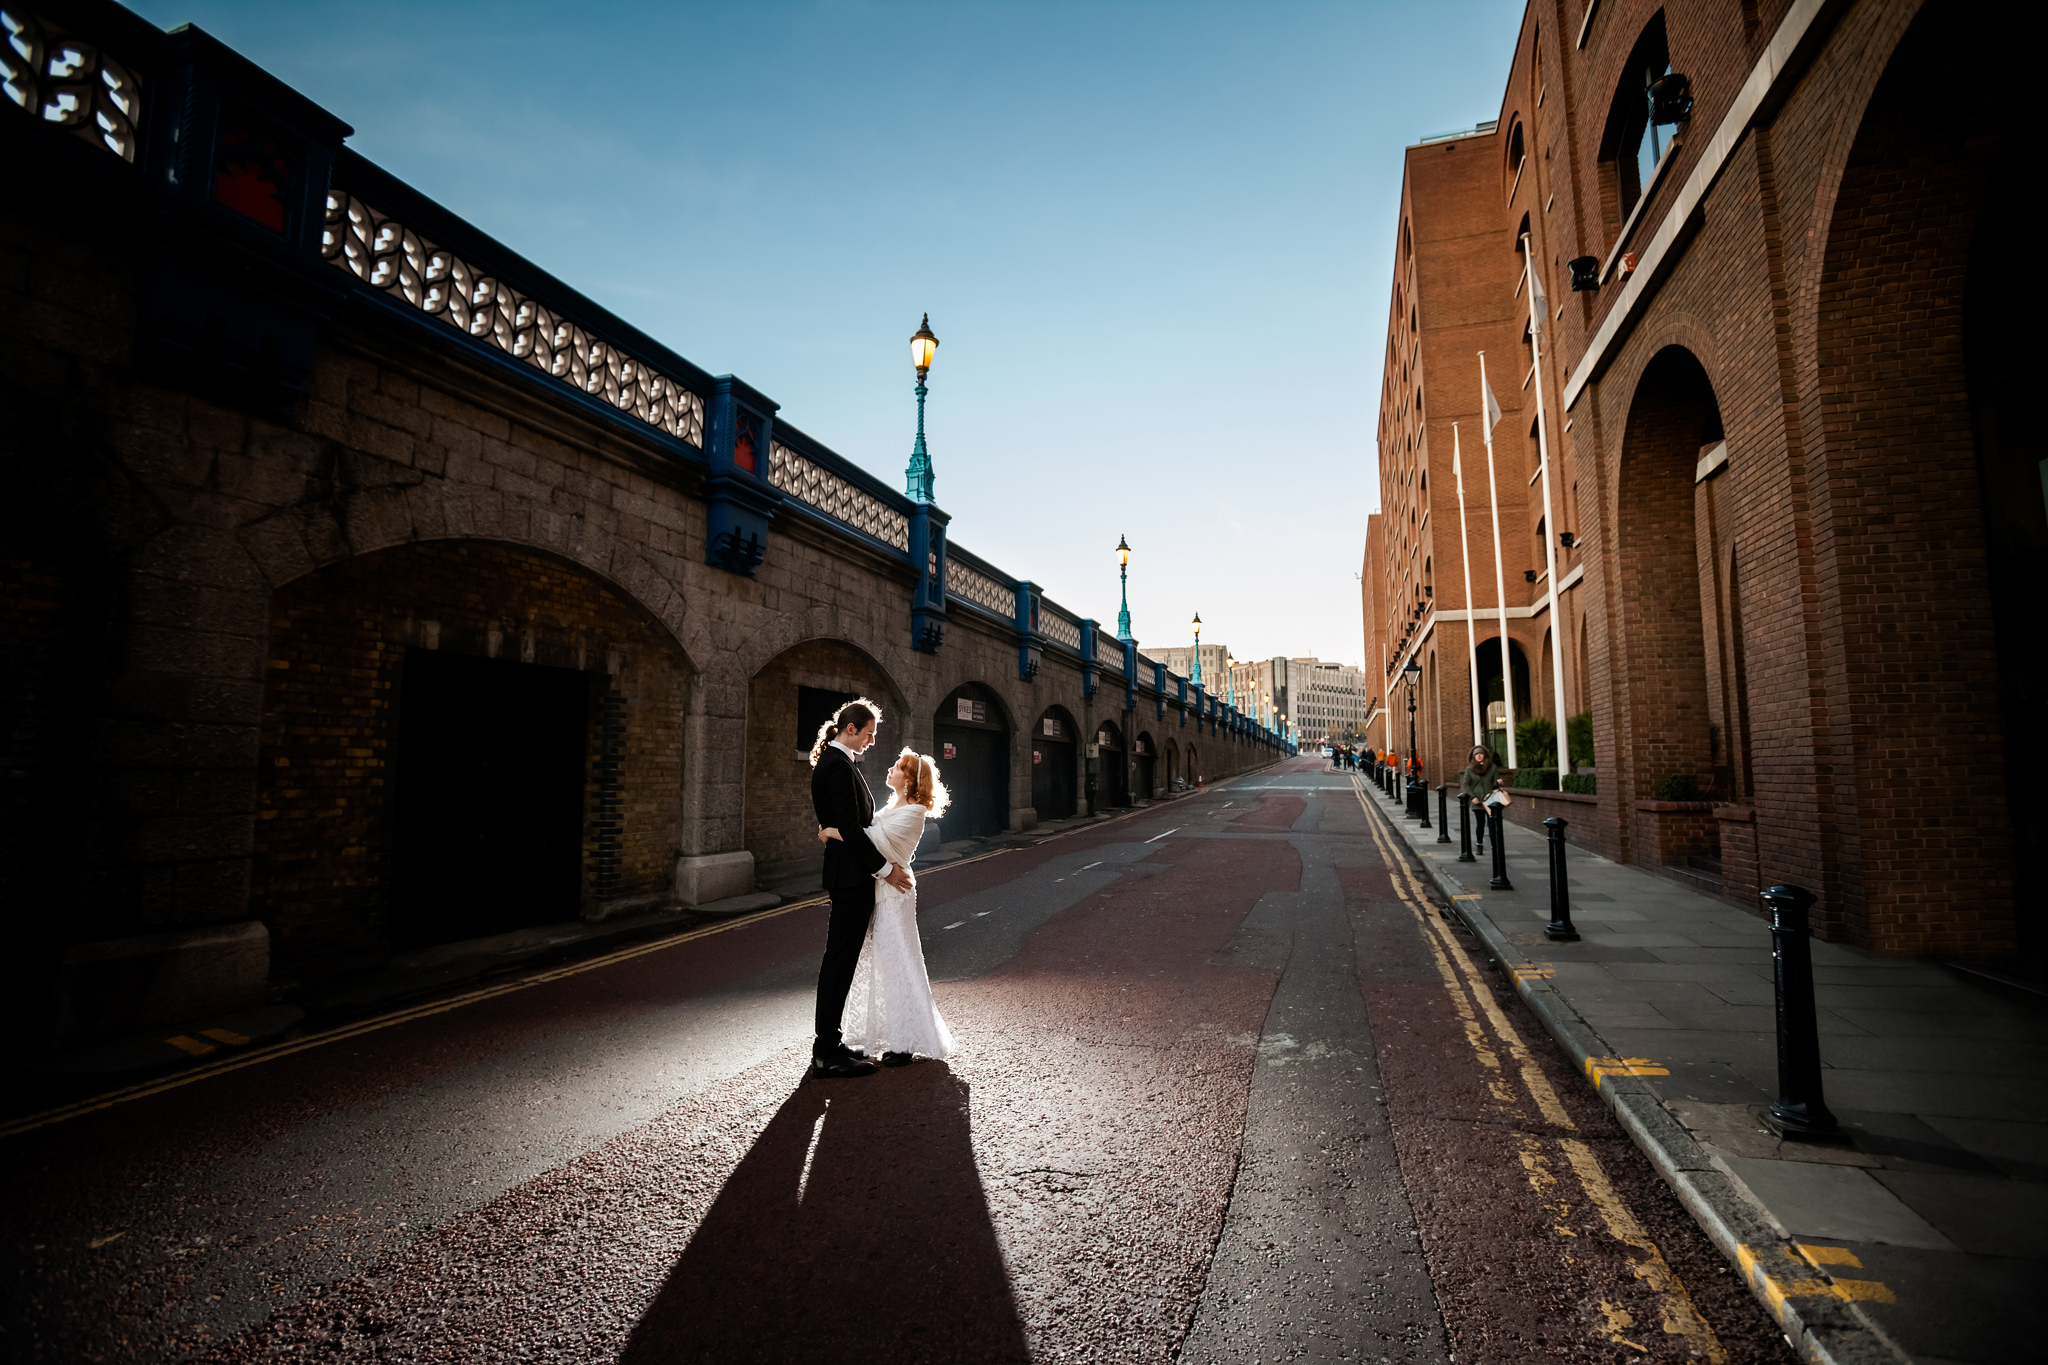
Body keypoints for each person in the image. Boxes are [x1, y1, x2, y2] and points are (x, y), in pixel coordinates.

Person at [818, 748, 955, 1066]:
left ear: (909, 781)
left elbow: (871, 840)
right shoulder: (895, 806)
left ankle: (904, 1044)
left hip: (895, 896)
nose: (890, 769)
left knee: (900, 965)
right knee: (887, 965)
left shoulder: (915, 811)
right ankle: (897, 1036)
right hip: (883, 891)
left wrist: (830, 831)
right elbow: (869, 837)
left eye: (897, 767)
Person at [808, 699, 915, 1079]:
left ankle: (831, 1043)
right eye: (869, 734)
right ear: (850, 729)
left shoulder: (841, 762)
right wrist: (887, 871)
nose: (871, 741)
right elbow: (853, 830)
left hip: (851, 876)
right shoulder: (837, 765)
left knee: (842, 960)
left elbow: (851, 828)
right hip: (851, 879)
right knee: (838, 961)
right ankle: (825, 1053)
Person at [1461, 745, 1508, 851]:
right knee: (1480, 824)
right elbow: (1466, 784)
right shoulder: (1469, 769)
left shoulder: (1493, 767)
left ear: (1485, 755)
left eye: (1481, 754)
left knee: (1492, 825)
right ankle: (1479, 845)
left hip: (1491, 800)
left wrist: (1499, 782)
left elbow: (1495, 784)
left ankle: (1494, 847)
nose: (1479, 756)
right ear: (1473, 756)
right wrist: (1472, 797)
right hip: (1477, 801)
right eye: (1476, 754)